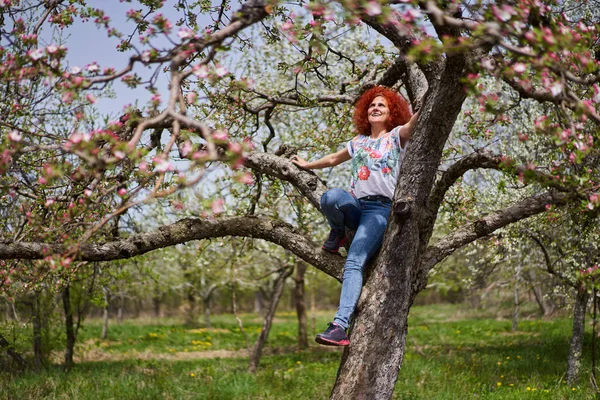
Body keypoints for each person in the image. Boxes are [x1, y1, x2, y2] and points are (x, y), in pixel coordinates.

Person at [292, 86, 419, 346]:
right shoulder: (358, 141)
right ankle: (338, 231)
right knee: (331, 197)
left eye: (382, 105)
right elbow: (331, 159)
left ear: (391, 112)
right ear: (365, 111)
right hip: (357, 205)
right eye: (372, 105)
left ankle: (340, 326)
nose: (375, 108)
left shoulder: (396, 136)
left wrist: (431, 95)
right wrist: (306, 164)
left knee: (354, 262)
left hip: (379, 210)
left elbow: (417, 121)